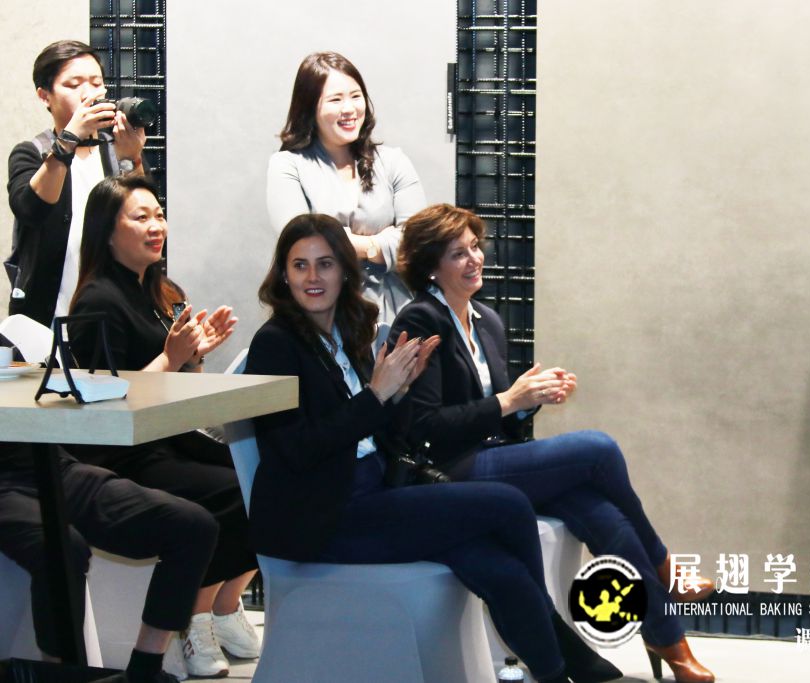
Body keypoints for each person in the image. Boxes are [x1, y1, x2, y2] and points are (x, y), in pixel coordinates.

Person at [245, 213, 622, 683]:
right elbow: (294, 451)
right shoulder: (275, 345)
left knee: (498, 567)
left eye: (325, 264)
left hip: (372, 494)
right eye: (299, 266)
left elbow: (380, 433)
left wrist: (400, 391)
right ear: (283, 275)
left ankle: (554, 667)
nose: (312, 277)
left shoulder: (348, 332)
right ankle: (560, 645)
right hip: (321, 518)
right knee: (506, 504)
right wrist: (377, 395)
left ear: (344, 271)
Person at [389, 204, 715, 683]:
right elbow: (425, 428)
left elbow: (503, 423)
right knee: (598, 448)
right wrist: (509, 400)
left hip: (490, 456)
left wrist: (527, 404)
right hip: (446, 470)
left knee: (599, 510)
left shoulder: (486, 320)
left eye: (475, 247)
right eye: (458, 253)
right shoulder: (421, 320)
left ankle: (668, 640)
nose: (474, 259)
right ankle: (664, 566)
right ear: (430, 266)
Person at [65, 175, 261, 678]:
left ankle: (223, 606)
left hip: (168, 435)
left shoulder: (162, 291)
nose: (156, 227)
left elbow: (177, 388)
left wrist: (193, 357)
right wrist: (172, 358)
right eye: (141, 217)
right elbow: (105, 404)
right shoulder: (97, 302)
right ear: (108, 231)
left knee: (264, 472)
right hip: (125, 452)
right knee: (232, 492)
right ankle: (195, 616)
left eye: (159, 215)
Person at [0, 441, 216, 683]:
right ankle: (60, 675)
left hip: (50, 463)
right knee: (61, 549)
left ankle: (144, 671)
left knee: (192, 525)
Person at [266, 51, 426, 325]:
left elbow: (419, 244)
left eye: (355, 96)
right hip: (322, 316)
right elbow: (301, 244)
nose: (349, 108)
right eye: (336, 99)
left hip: (397, 312)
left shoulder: (393, 161)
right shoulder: (287, 165)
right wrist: (380, 244)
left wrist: (348, 242)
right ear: (310, 106)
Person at [6, 40, 146, 326]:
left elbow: (145, 221)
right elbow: (31, 210)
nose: (88, 93)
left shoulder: (116, 150)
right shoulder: (32, 153)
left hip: (115, 313)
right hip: (48, 316)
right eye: (74, 84)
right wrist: (68, 140)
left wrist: (133, 158)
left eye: (96, 83)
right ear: (45, 96)